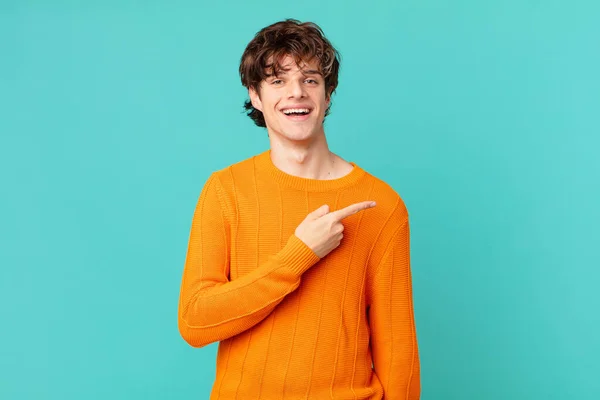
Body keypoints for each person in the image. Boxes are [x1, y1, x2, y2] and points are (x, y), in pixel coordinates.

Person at [177, 18, 420, 400]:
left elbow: (398, 348)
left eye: (310, 79)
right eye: (277, 81)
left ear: (327, 93)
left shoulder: (381, 205)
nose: (297, 93)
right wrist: (298, 256)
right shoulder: (226, 190)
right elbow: (195, 321)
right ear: (255, 96)